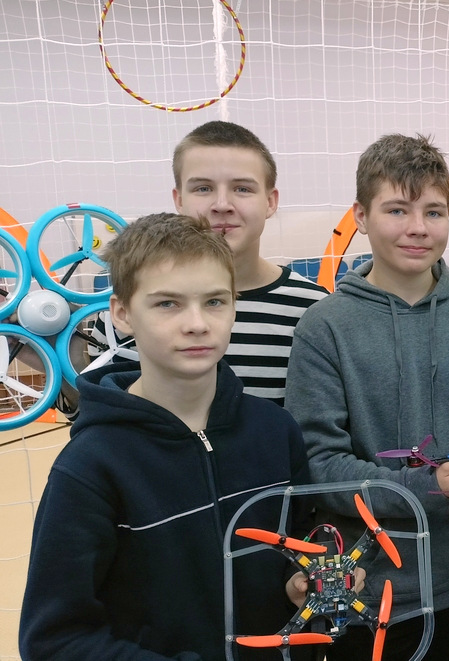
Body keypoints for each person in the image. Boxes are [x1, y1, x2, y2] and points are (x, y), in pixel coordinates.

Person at [20, 213, 311, 660]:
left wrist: (302, 583)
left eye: (214, 302)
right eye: (168, 304)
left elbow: (303, 541)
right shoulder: (90, 467)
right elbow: (53, 640)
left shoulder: (275, 430)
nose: (197, 323)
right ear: (122, 313)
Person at [285, 133, 449, 661]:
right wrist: (425, 486)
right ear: (361, 215)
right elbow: (319, 463)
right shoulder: (324, 328)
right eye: (397, 209)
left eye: (434, 212)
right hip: (365, 584)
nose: (418, 227)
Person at [171, 121, 328, 405]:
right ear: (179, 200)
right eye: (203, 188)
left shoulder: (315, 310)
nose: (222, 205)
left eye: (242, 189)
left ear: (270, 202)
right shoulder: (136, 306)